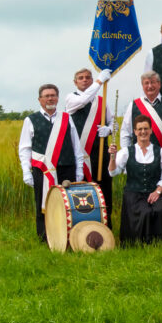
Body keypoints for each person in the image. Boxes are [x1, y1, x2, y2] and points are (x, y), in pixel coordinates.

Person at [18, 83, 84, 241]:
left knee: (68, 204)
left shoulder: (66, 118)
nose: (50, 98)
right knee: (43, 203)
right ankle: (45, 237)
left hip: (66, 168)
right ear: (39, 99)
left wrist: (79, 169)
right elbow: (25, 148)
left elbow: (76, 146)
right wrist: (26, 171)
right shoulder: (31, 120)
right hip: (43, 171)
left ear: (58, 98)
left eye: (53, 95)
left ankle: (69, 237)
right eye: (46, 96)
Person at [108, 114, 162, 244]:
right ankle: (139, 244)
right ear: (135, 131)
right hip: (134, 195)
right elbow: (113, 172)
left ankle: (160, 244)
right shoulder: (126, 152)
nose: (143, 132)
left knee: (159, 210)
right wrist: (112, 158)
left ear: (150, 130)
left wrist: (158, 191)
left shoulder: (159, 151)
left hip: (155, 192)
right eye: (140, 129)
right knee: (145, 212)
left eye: (145, 128)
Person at [64, 67, 114, 221]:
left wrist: (109, 129)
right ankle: (82, 225)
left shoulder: (102, 101)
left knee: (104, 190)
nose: (84, 80)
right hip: (79, 155)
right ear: (75, 82)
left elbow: (113, 122)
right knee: (81, 193)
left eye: (88, 77)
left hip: (100, 153)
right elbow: (84, 100)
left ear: (91, 80)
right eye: (81, 78)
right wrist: (100, 81)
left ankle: (106, 225)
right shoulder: (71, 98)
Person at [120, 71, 162, 151]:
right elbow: (125, 133)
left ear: (159, 84)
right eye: (146, 83)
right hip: (138, 158)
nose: (150, 86)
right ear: (142, 85)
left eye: (152, 82)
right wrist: (126, 154)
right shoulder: (133, 105)